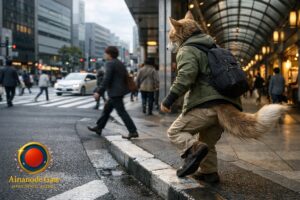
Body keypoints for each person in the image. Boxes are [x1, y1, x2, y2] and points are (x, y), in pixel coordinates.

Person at [160, 11, 287, 183]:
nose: (171, 43)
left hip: (206, 105)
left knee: (175, 132)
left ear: (180, 32)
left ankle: (193, 149)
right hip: (226, 105)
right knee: (207, 142)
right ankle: (209, 173)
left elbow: (185, 76)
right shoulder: (214, 47)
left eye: (172, 38)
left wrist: (168, 100)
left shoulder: (188, 49)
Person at [87, 46, 138, 139]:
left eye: (105, 53)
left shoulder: (109, 63)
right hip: (118, 91)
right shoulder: (119, 63)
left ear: (109, 54)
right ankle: (99, 127)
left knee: (121, 112)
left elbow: (107, 79)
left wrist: (99, 92)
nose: (104, 55)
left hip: (115, 92)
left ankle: (133, 131)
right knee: (106, 110)